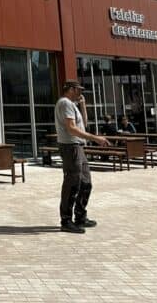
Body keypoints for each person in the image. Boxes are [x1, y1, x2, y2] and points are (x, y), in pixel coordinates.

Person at [55, 81, 109, 234]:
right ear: (71, 89)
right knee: (72, 183)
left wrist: (83, 106)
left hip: (78, 147)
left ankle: (80, 216)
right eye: (79, 90)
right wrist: (95, 138)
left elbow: (82, 125)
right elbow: (71, 129)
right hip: (70, 147)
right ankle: (66, 220)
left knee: (86, 183)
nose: (81, 93)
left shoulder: (72, 105)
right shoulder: (65, 103)